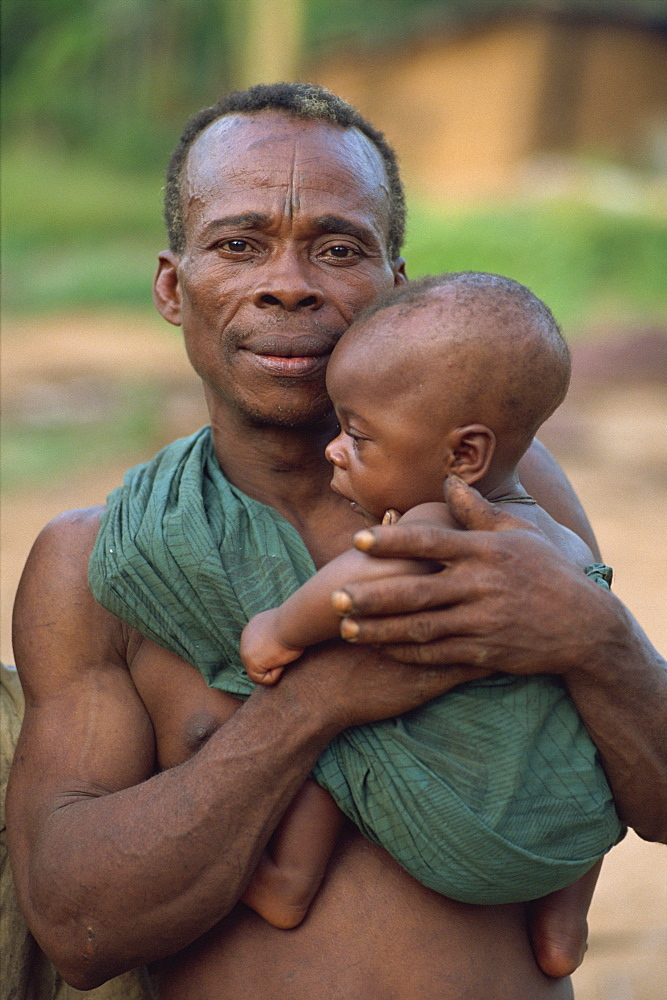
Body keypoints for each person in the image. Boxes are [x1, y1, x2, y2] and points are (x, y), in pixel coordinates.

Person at [6, 83, 666, 1000]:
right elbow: (78, 926)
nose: (287, 281)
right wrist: (314, 704)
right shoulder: (100, 564)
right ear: (172, 285)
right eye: (239, 245)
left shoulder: (496, 489)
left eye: (338, 248)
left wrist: (594, 638)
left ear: (395, 284)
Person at [236, 272, 621, 946]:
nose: (333, 447)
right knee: (582, 740)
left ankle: (286, 884)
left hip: (472, 826)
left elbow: (356, 578)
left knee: (334, 729)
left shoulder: (438, 519)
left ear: (463, 456)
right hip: (568, 827)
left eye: (358, 436)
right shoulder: (559, 541)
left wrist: (277, 629)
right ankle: (563, 923)